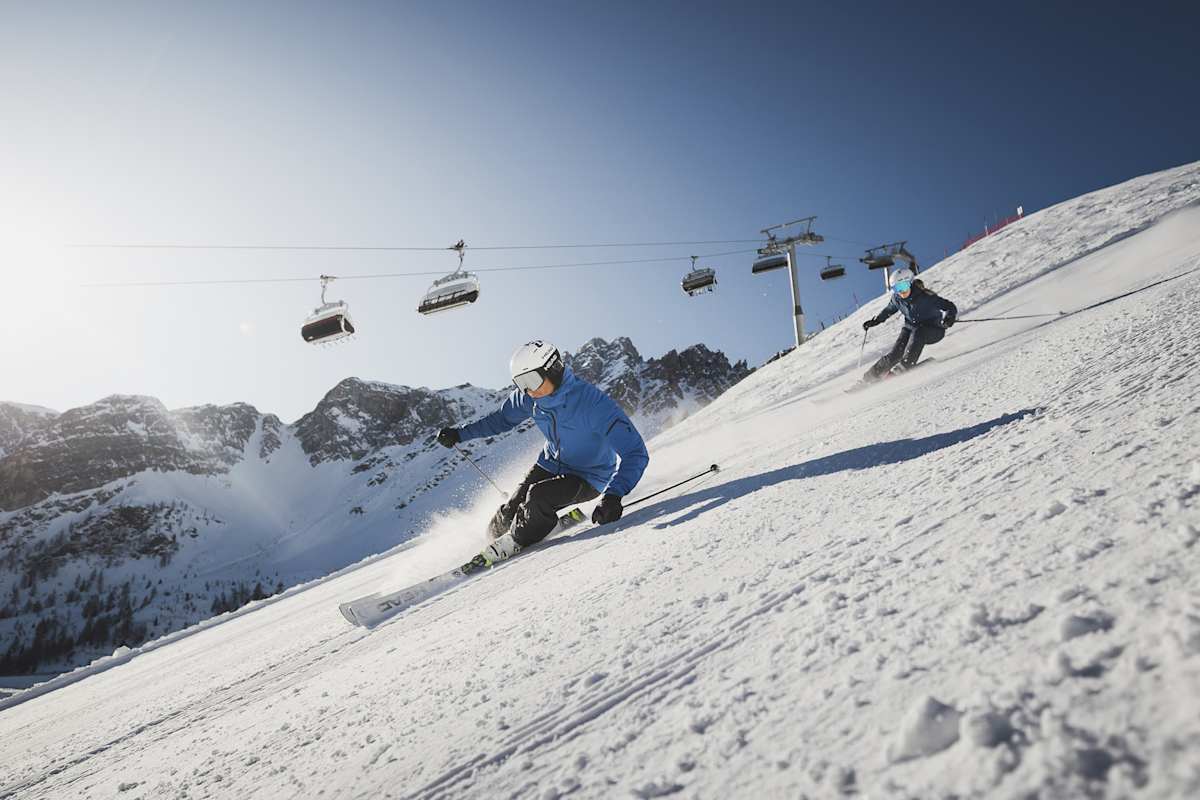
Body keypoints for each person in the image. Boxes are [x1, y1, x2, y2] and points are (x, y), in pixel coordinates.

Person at [436, 340, 649, 564]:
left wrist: (613, 496)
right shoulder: (530, 397)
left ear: (553, 369)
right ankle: (491, 540)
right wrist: (460, 434)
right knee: (510, 509)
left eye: (532, 380)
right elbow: (501, 420)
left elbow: (635, 453)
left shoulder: (593, 404)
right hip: (549, 463)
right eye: (521, 383)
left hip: (589, 476)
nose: (528, 389)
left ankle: (517, 540)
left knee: (538, 497)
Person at [860, 268, 957, 381]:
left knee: (919, 332)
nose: (901, 291)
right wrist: (876, 321)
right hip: (910, 328)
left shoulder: (926, 297)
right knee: (895, 353)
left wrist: (949, 317)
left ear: (910, 283)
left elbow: (949, 306)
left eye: (904, 286)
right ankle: (870, 377)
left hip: (933, 330)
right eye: (897, 288)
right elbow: (888, 310)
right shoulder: (897, 299)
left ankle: (904, 366)